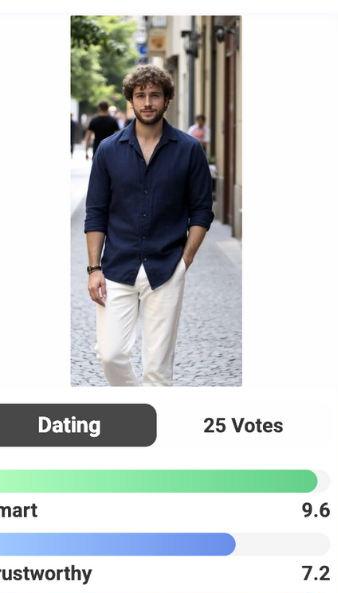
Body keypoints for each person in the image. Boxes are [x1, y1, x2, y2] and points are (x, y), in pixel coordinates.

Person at [84, 65, 213, 386]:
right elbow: (96, 211)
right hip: (117, 267)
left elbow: (201, 211)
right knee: (110, 354)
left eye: (155, 95)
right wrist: (93, 268)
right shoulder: (109, 149)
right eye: (140, 95)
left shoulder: (189, 149)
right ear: (131, 99)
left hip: (167, 267)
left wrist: (186, 260)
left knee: (157, 368)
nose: (147, 102)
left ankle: (152, 427)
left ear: (167, 99)